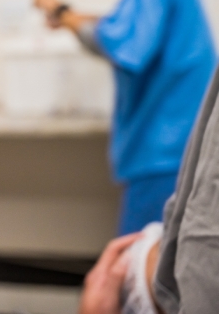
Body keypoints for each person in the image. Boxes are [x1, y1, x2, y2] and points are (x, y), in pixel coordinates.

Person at [34, 0, 216, 235]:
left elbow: (125, 44)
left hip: (166, 150)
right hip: (171, 143)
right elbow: (121, 23)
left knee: (140, 265)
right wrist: (69, 15)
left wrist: (61, 12)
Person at [79, 64, 219, 314]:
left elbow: (130, 46)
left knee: (128, 266)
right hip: (164, 150)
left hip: (159, 153)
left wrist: (73, 23)